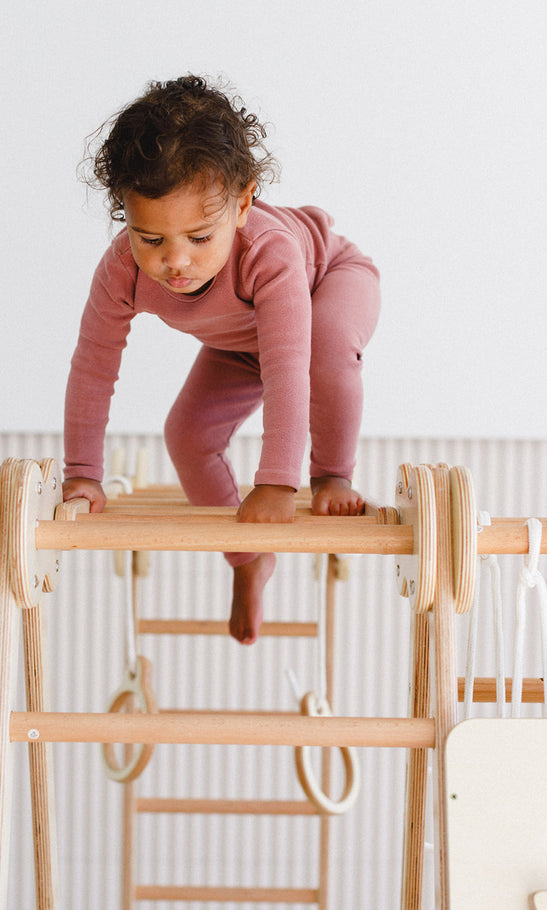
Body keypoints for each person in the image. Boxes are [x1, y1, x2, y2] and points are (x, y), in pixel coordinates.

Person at [63, 75, 380, 644]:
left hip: (326, 285)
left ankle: (332, 473)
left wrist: (279, 484)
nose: (175, 262)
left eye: (198, 238)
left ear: (242, 204)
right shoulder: (121, 271)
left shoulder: (269, 253)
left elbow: (288, 367)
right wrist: (82, 474)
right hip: (241, 341)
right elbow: (93, 367)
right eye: (151, 239)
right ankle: (247, 558)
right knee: (185, 434)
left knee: (325, 348)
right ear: (124, 215)